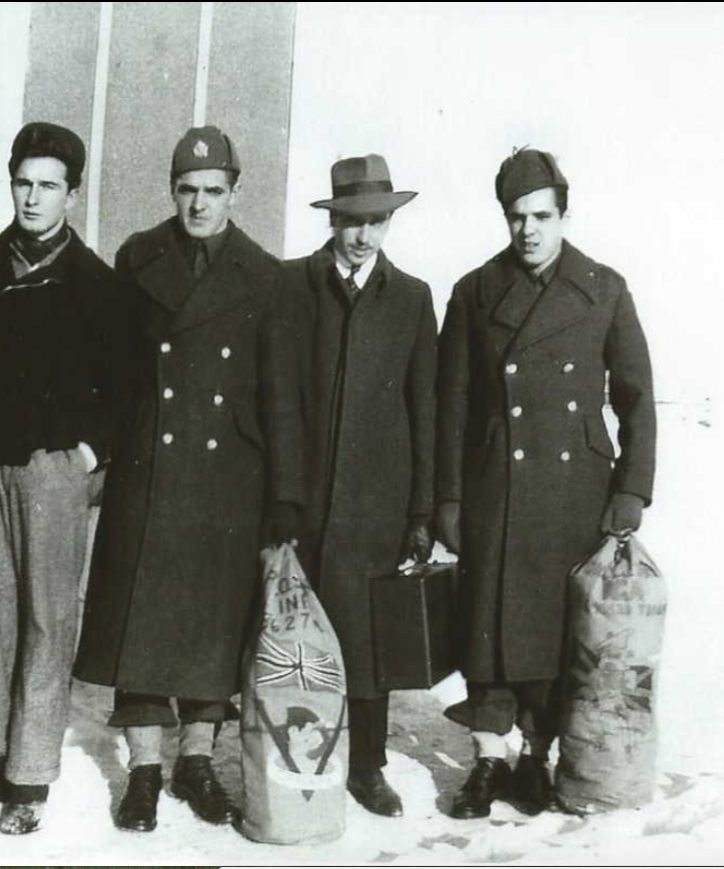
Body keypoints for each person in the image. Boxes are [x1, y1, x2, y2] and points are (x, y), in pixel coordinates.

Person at [72, 125, 304, 833]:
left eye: (212, 191)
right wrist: (101, 453)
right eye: (186, 190)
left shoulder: (265, 275)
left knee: (211, 624)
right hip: (151, 462)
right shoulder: (139, 257)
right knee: (143, 620)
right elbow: (112, 367)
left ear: (235, 192)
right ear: (171, 191)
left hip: (228, 473)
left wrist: (285, 498)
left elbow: (279, 394)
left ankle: (196, 761)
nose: (198, 203)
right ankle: (144, 768)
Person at [434, 147, 656, 819]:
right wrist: (446, 495)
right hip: (495, 483)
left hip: (575, 489)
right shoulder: (475, 291)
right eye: (514, 217)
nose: (526, 230)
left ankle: (535, 758)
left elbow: (636, 396)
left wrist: (630, 488)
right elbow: (452, 404)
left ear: (563, 213)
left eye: (540, 215)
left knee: (558, 634)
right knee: (490, 628)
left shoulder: (604, 289)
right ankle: (486, 760)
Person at [0, 122, 126, 836]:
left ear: (71, 194)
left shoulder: (94, 282)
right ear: (9, 185)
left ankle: (30, 772)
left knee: (48, 621)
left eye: (48, 185)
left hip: (50, 475)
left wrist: (82, 454)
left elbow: (123, 385)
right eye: (22, 182)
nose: (33, 197)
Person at [280, 154, 437, 817]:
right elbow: (280, 396)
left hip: (378, 504)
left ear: (388, 223)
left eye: (374, 222)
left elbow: (424, 409)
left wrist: (420, 510)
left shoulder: (410, 298)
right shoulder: (294, 287)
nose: (361, 237)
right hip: (307, 501)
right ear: (333, 219)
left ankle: (365, 765)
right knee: (297, 641)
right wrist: (283, 498)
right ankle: (296, 754)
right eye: (350, 221)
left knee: (369, 645)